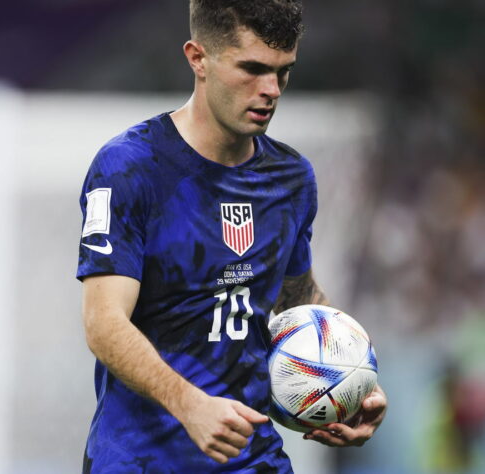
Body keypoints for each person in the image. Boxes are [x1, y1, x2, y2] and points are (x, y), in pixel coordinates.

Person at [76, 0, 387, 472]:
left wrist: (355, 378)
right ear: (198, 58)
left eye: (283, 71)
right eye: (253, 69)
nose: (271, 90)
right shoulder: (130, 166)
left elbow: (297, 297)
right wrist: (189, 405)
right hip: (141, 460)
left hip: (253, 459)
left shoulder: (289, 178)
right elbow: (103, 322)